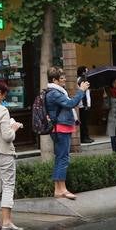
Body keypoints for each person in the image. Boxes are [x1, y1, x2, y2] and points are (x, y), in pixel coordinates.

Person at [44, 66, 89, 200]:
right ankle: (62, 189)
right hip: (60, 128)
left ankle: (58, 190)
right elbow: (71, 104)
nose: (65, 80)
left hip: (60, 127)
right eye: (62, 78)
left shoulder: (55, 91)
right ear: (54, 80)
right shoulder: (54, 93)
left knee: (61, 158)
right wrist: (81, 90)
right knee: (63, 158)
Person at [0, 80, 22, 230]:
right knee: (8, 185)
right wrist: (14, 127)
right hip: (4, 152)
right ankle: (7, 222)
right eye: (4, 96)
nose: (4, 99)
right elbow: (7, 136)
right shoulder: (1, 110)